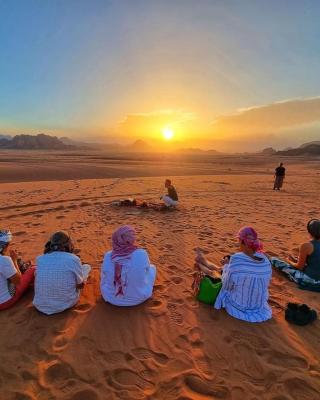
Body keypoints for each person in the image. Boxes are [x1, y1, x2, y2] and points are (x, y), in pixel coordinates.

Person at [195, 227, 272, 323]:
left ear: (243, 242)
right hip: (258, 307)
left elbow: (226, 286)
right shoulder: (266, 260)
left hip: (238, 306)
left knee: (220, 272)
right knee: (226, 269)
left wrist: (216, 307)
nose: (238, 243)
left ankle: (201, 263)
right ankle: (203, 262)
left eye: (239, 241)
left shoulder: (237, 258)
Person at [33, 231, 91, 315]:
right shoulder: (73, 259)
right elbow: (80, 285)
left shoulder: (40, 259)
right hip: (65, 304)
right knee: (86, 267)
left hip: (40, 305)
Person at [100, 225, 156, 306]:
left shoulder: (108, 255)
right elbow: (147, 269)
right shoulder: (141, 253)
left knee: (103, 273)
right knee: (152, 268)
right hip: (139, 298)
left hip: (110, 298)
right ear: (132, 239)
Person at [271, 219, 320, 285]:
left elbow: (300, 267)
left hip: (312, 282)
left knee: (275, 260)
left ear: (309, 232)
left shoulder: (306, 246)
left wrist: (289, 261)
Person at [0, 230, 35, 311]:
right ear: (4, 246)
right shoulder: (4, 260)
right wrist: (14, 260)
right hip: (4, 302)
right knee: (33, 269)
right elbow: (18, 281)